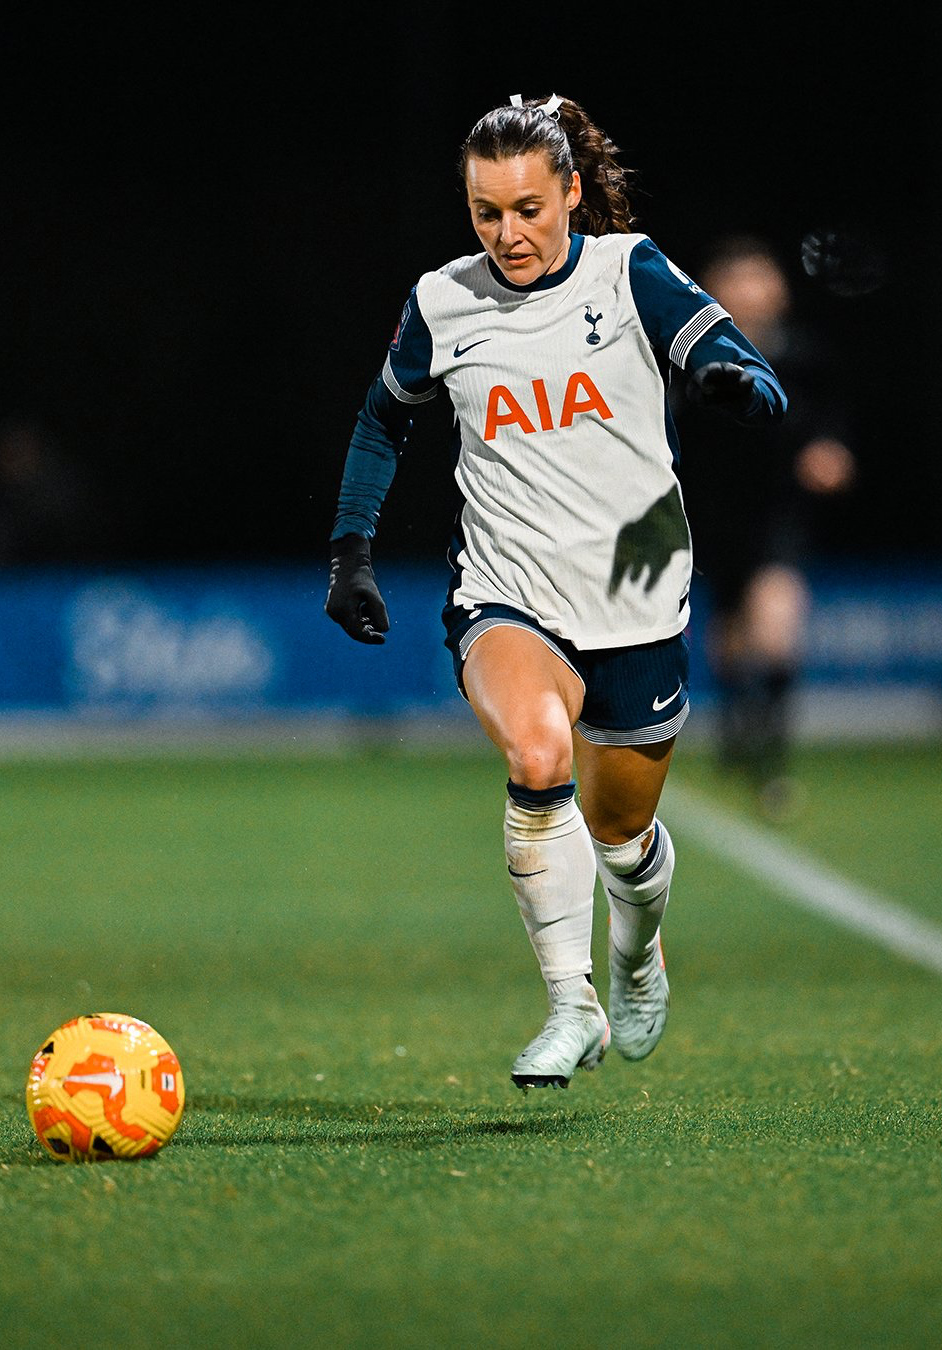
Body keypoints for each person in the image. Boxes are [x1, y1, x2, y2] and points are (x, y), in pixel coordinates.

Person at [325, 94, 786, 1090]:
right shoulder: (443, 301)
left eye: (528, 208)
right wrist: (350, 550)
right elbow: (380, 421)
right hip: (506, 591)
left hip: (636, 601)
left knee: (624, 836)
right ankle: (570, 1004)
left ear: (572, 193)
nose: (508, 233)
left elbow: (737, 360)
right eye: (487, 212)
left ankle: (636, 953)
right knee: (538, 757)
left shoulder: (631, 274)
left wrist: (736, 385)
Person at [671, 236, 856, 818]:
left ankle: (770, 760)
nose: (752, 291)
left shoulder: (803, 356)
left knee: (776, 624)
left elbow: (831, 423)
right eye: (738, 279)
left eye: (760, 277)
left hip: (778, 514)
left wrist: (830, 453)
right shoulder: (689, 358)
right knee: (729, 634)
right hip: (713, 514)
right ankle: (735, 730)